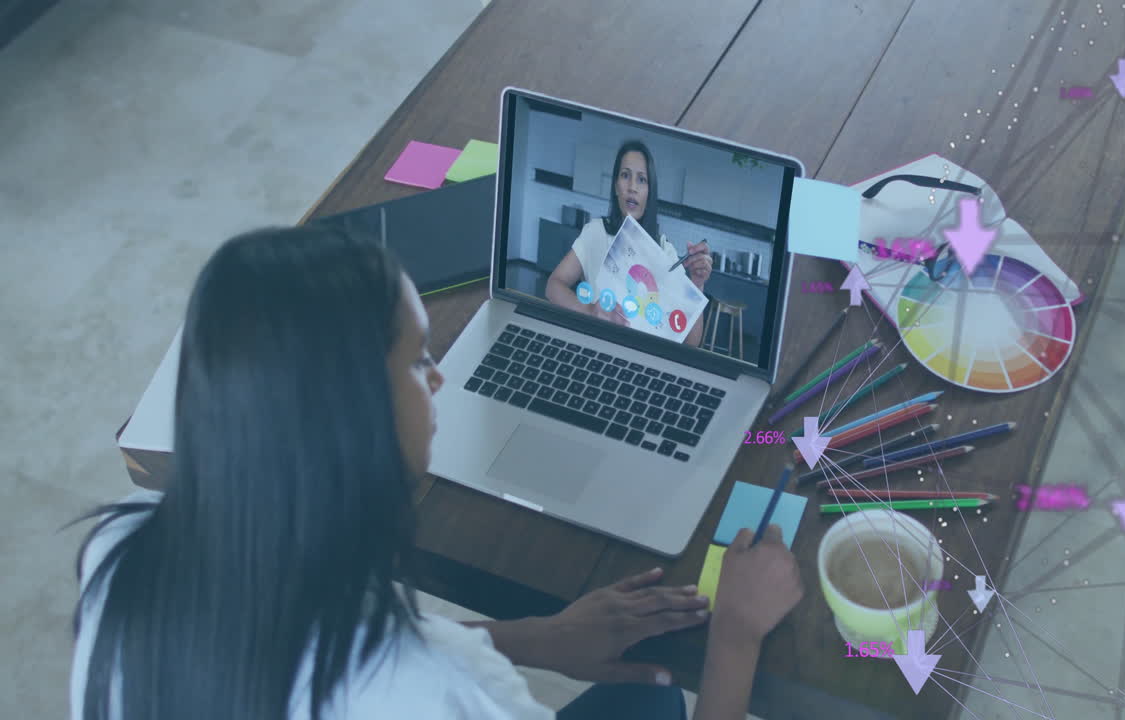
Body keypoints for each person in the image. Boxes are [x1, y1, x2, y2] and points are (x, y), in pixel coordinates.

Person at [69, 226, 802, 720]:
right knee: (657, 698)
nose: (441, 378)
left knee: (645, 699)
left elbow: (321, 645)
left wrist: (532, 637)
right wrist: (735, 638)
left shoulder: (121, 552)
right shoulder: (439, 695)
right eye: (420, 360)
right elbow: (409, 673)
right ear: (358, 425)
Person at [545, 140, 713, 347]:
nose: (632, 187)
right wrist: (588, 311)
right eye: (625, 176)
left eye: (642, 179)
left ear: (650, 192)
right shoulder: (596, 232)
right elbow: (553, 286)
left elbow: (690, 343)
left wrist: (697, 284)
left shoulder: (665, 251)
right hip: (594, 347)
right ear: (616, 186)